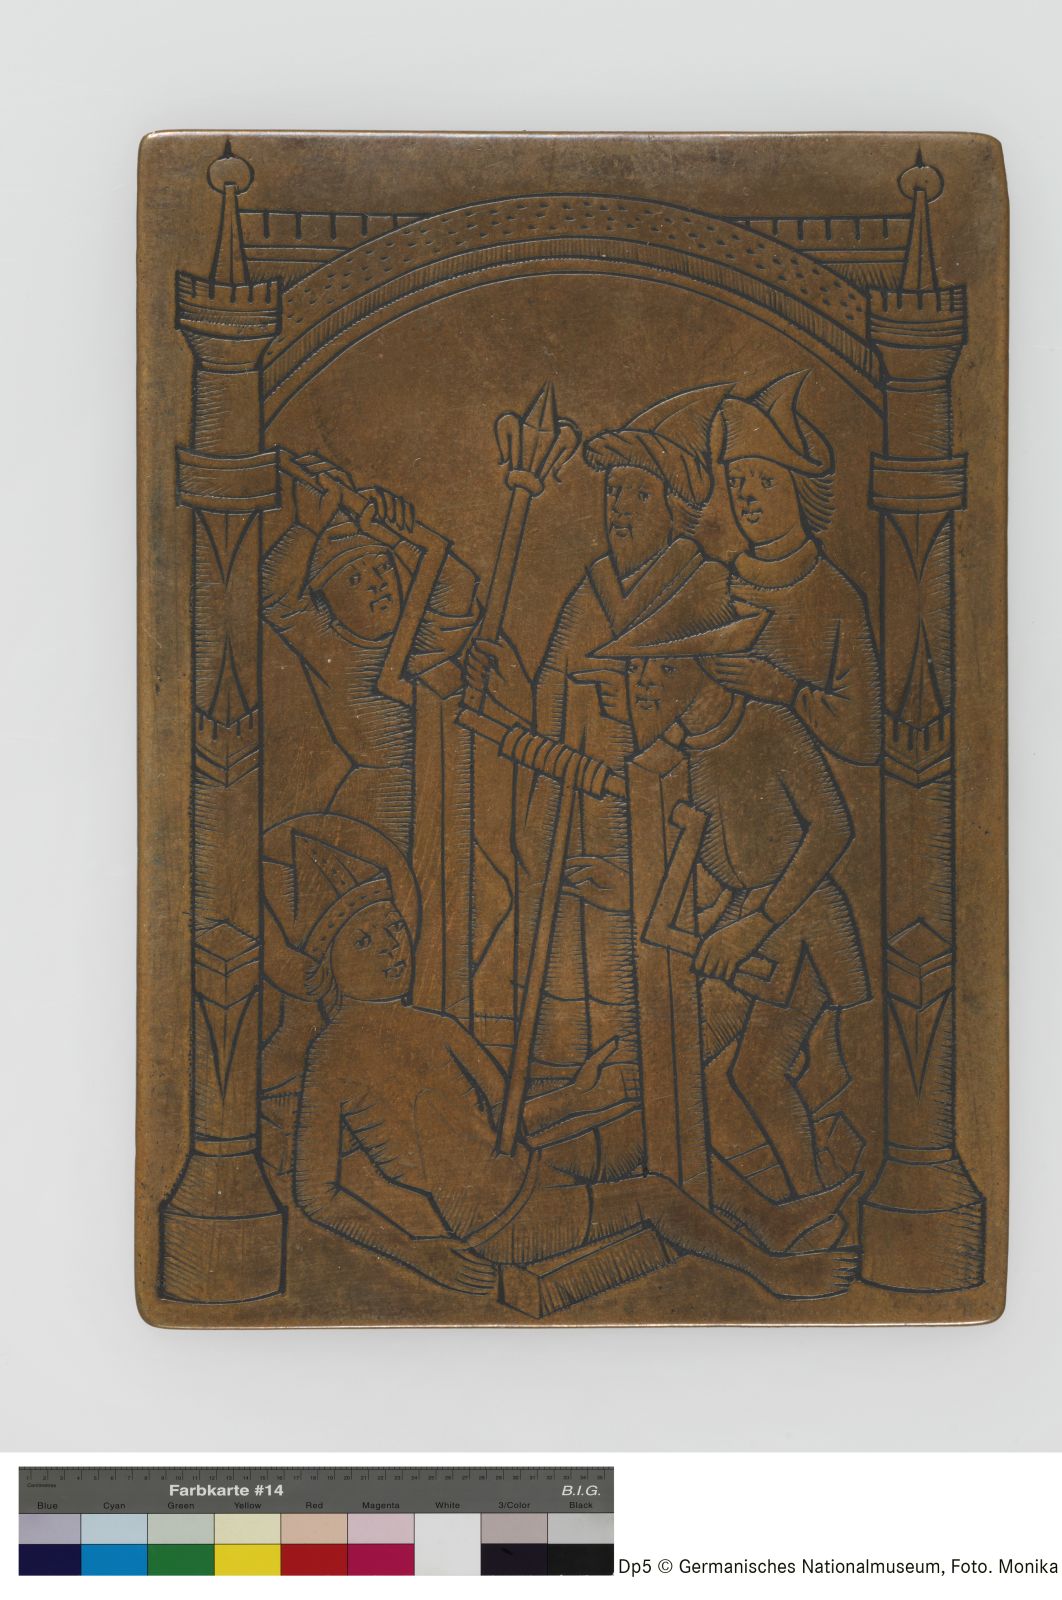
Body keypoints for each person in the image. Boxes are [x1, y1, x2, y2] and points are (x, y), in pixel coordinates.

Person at [291, 836, 860, 1301]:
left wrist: (587, 1095)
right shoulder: (331, 1056)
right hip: (502, 1220)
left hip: (527, 1166)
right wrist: (420, 1254)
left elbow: (514, 1121)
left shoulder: (435, 1027)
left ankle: (772, 1222)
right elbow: (316, 1193)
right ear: (327, 966)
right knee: (654, 1197)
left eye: (393, 927)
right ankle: (773, 1273)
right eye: (362, 940)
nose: (390, 947)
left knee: (656, 1126)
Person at [465, 385, 734, 1078]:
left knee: (640, 981)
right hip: (572, 812)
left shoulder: (703, 589)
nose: (619, 507)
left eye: (638, 492)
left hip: (652, 813)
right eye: (613, 492)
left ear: (675, 508)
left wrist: (638, 717)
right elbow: (549, 699)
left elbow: (719, 711)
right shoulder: (590, 591)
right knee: (562, 971)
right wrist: (508, 680)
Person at [591, 572, 870, 1199]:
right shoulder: (678, 758)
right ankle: (797, 1197)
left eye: (662, 668)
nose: (642, 683)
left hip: (806, 923)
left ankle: (816, 1199)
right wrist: (630, 894)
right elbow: (715, 870)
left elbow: (833, 828)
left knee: (762, 1074)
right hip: (748, 925)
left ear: (708, 667)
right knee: (684, 1056)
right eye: (637, 669)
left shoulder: (770, 727)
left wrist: (751, 927)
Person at [263, 455, 479, 850]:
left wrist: (399, 534)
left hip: (442, 795)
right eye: (354, 578)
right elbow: (273, 595)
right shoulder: (328, 643)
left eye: (382, 566)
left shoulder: (416, 637)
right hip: (375, 807)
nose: (377, 583)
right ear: (325, 597)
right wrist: (307, 526)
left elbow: (458, 584)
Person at [708, 372, 881, 767]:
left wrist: (783, 690)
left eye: (765, 480)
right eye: (735, 480)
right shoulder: (717, 587)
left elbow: (866, 740)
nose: (746, 494)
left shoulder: (838, 598)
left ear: (801, 490)